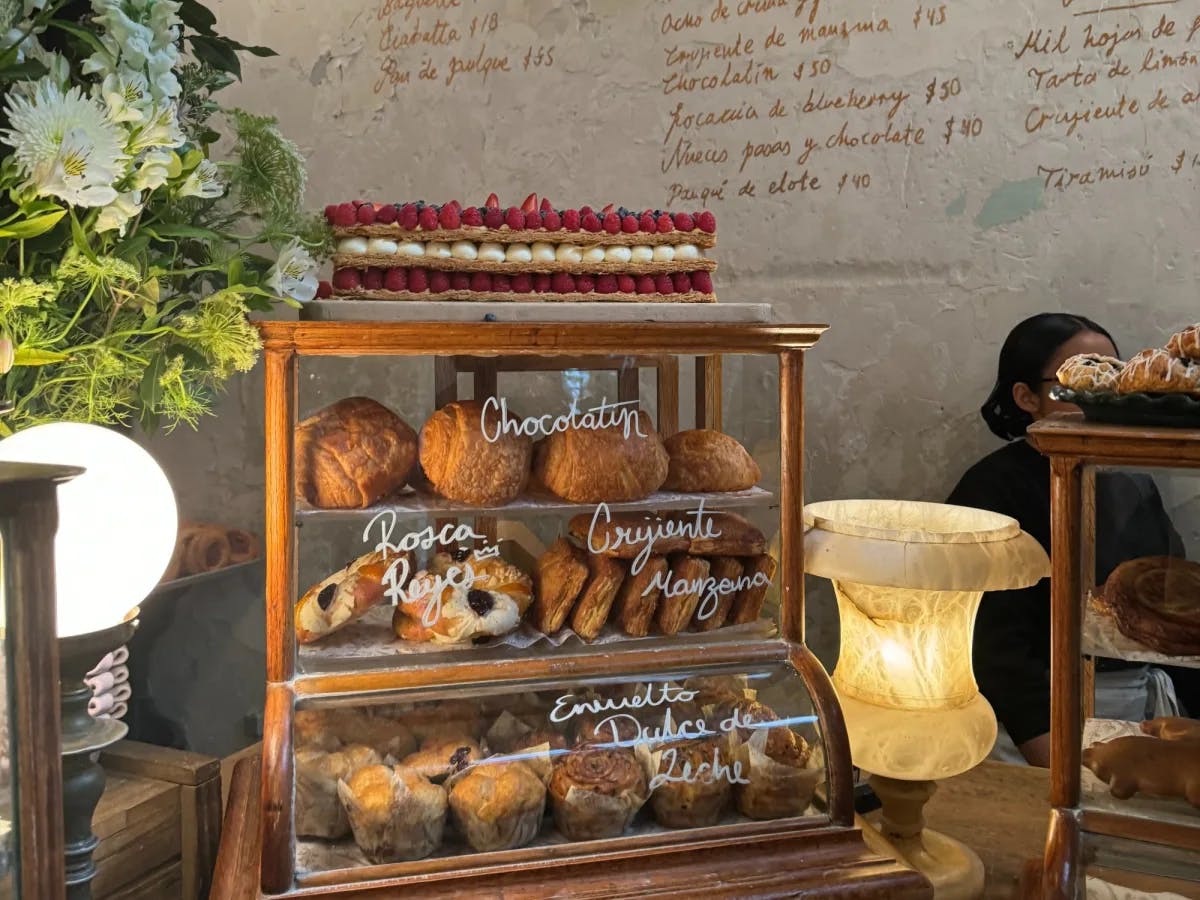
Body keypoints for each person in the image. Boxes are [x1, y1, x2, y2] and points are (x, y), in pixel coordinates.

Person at [946, 313, 1197, 767]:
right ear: (1027, 397)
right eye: (1079, 382)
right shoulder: (990, 489)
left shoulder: (1136, 482)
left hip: (1144, 709)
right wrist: (1052, 751)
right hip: (1037, 719)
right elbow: (992, 644)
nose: (1100, 396)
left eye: (1111, 377)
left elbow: (1175, 605)